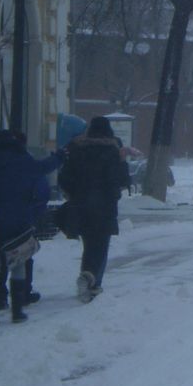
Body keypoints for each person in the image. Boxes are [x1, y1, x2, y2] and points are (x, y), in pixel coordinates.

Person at [0, 130, 63, 326]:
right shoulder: (21, 160)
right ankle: (17, 311)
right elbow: (43, 168)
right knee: (18, 262)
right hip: (18, 220)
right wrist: (59, 157)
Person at [58, 116, 130, 303]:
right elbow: (122, 179)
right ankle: (92, 280)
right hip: (105, 205)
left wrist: (71, 194)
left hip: (80, 203)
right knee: (100, 244)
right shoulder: (114, 149)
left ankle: (88, 279)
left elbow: (64, 177)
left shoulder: (75, 148)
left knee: (88, 243)